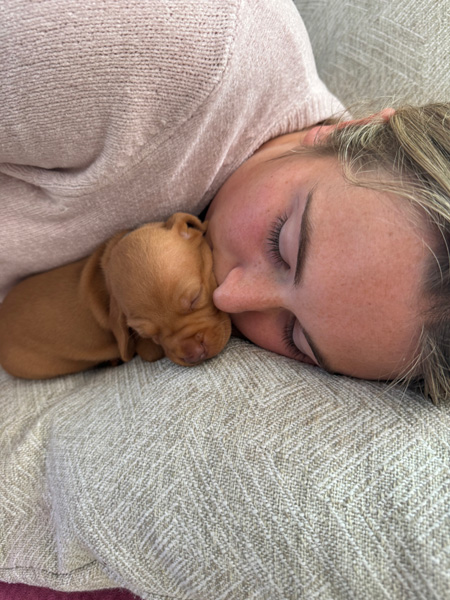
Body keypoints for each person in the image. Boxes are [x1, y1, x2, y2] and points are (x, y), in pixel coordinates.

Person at [1, 1, 449, 403]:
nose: (229, 297)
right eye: (281, 243)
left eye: (294, 337)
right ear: (349, 132)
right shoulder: (169, 42)